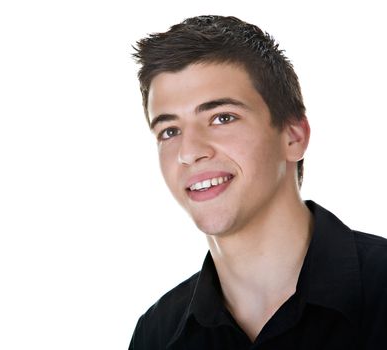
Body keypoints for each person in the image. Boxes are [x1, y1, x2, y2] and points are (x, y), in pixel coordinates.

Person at [128, 15, 387, 349]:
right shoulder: (157, 334)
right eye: (170, 131)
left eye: (222, 118)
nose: (188, 152)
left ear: (293, 136)